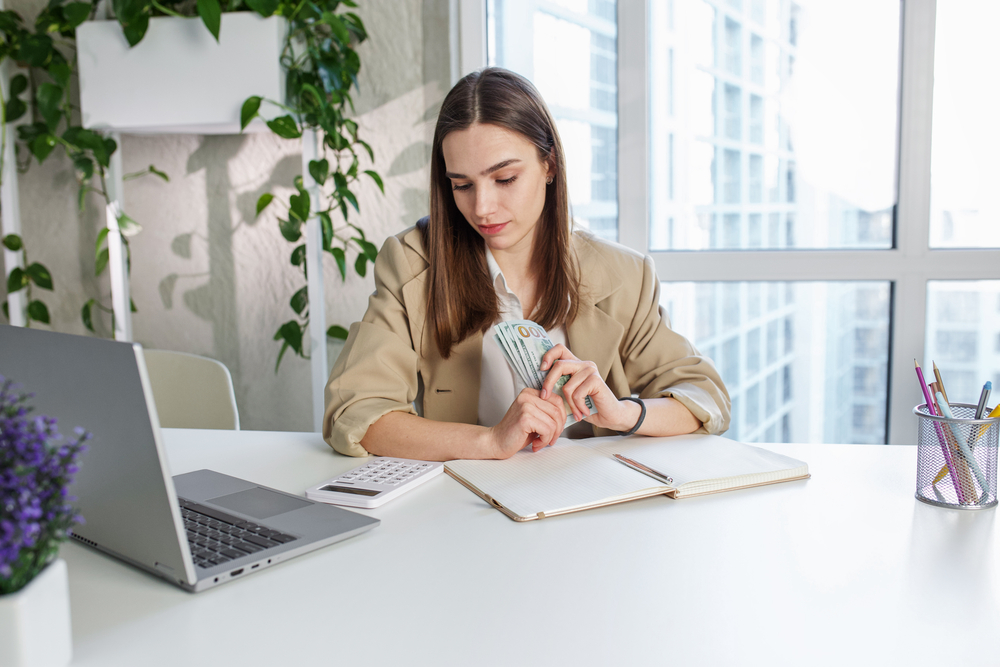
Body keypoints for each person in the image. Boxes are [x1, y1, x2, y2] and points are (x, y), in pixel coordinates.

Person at [323, 67, 730, 461]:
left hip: (589, 503)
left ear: (549, 165)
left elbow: (702, 395)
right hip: (466, 505)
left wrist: (623, 413)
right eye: (462, 185)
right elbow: (355, 412)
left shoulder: (624, 274)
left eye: (504, 179)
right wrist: (490, 442)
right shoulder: (411, 262)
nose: (481, 207)